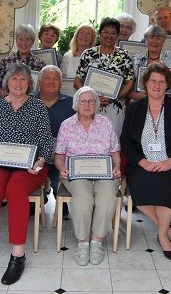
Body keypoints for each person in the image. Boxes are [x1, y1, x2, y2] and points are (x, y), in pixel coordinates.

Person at [0, 63, 53, 285]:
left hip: (30, 166)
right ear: (7, 82)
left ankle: (18, 255)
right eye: (14, 79)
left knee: (15, 189)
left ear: (29, 83)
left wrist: (40, 161)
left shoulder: (38, 108)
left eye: (23, 80)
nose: (18, 83)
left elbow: (46, 143)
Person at [120, 62, 171, 261]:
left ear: (167, 85)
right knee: (139, 187)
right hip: (142, 164)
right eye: (153, 80)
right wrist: (142, 162)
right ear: (145, 83)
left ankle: (161, 236)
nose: (157, 85)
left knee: (166, 186)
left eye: (162, 82)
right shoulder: (135, 108)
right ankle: (169, 231)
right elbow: (125, 142)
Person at [54, 86, 121, 266]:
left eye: (91, 101)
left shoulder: (106, 123)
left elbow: (115, 151)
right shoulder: (66, 125)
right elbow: (59, 155)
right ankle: (83, 242)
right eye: (83, 101)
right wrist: (61, 168)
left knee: (107, 196)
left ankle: (97, 241)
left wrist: (117, 167)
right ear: (76, 104)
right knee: (83, 197)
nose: (87, 104)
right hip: (75, 173)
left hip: (104, 171)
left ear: (96, 104)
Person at [74, 18, 134, 136]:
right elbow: (77, 81)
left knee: (112, 142)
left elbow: (130, 82)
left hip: (114, 108)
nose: (109, 36)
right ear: (100, 33)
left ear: (117, 36)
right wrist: (92, 98)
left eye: (113, 33)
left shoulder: (124, 55)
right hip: (90, 106)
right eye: (106, 32)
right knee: (88, 141)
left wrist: (114, 98)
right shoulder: (88, 53)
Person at [34, 65, 76, 211]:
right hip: (35, 157)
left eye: (55, 79)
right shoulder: (29, 101)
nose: (51, 82)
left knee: (63, 191)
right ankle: (38, 199)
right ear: (39, 82)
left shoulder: (73, 104)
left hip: (62, 157)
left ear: (61, 82)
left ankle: (59, 198)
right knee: (30, 203)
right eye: (46, 78)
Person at [129, 25, 171, 101]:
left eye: (158, 38)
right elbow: (127, 85)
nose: (155, 41)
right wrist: (135, 96)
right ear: (146, 40)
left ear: (163, 41)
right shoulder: (135, 59)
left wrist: (170, 98)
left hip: (166, 103)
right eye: (151, 37)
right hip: (139, 103)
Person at [0, 24, 46, 97]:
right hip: (9, 104)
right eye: (20, 39)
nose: (23, 43)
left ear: (33, 41)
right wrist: (8, 97)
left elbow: (44, 88)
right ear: (16, 40)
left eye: (27, 39)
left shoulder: (40, 64)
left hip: (31, 106)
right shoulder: (6, 61)